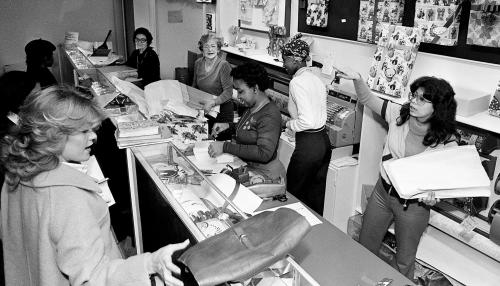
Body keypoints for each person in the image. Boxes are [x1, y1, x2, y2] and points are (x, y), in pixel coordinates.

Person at [0, 86, 189, 286]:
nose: (93, 137)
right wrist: (149, 264)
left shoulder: (17, 174)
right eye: (84, 131)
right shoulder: (68, 197)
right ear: (53, 134)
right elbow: (93, 279)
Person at [335, 67, 459, 280]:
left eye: (422, 99)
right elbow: (368, 98)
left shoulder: (447, 142)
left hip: (414, 207)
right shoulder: (398, 115)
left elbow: (446, 182)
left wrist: (434, 197)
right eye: (414, 96)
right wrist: (358, 79)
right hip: (383, 194)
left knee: (404, 261)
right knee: (365, 245)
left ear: (438, 107)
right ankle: (358, 281)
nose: (414, 102)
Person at [208, 62, 286, 181]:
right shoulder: (251, 107)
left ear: (255, 88)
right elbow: (249, 128)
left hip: (266, 175)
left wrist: (225, 146)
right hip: (249, 168)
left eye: (241, 91)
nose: (238, 96)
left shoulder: (269, 115)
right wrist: (228, 126)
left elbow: (264, 153)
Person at [281, 34, 331, 215]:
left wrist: (290, 124)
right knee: (315, 196)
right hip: (323, 142)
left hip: (309, 144)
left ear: (296, 59)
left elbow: (307, 120)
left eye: (285, 60)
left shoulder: (297, 82)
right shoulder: (316, 78)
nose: (283, 64)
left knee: (294, 193)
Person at [192, 34, 234, 136]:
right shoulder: (198, 63)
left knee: (218, 143)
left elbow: (228, 92)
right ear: (202, 49)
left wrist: (213, 102)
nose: (210, 49)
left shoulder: (224, 65)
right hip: (205, 109)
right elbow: (194, 86)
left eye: (213, 46)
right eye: (206, 46)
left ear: (218, 49)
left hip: (222, 112)